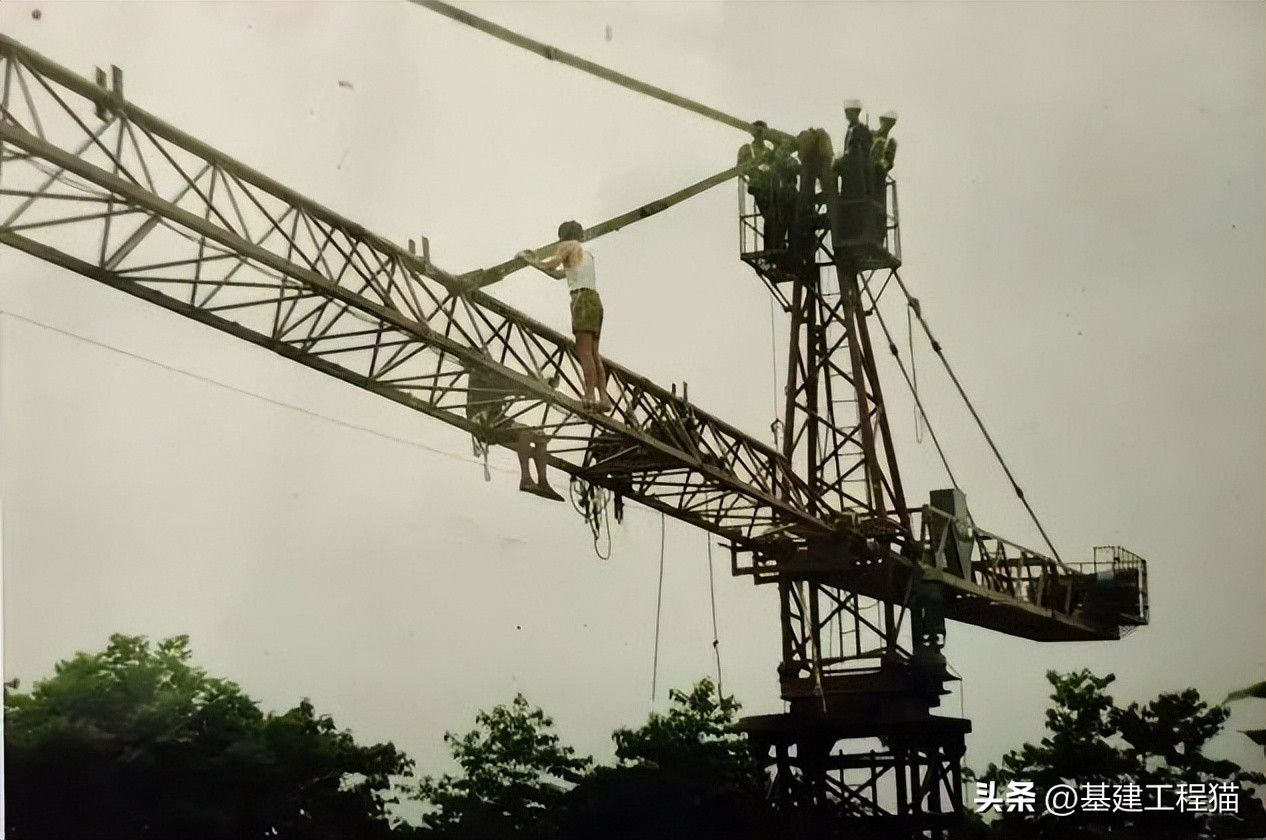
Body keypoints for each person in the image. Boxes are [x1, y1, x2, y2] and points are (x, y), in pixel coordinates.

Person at [518, 221, 612, 413]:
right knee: (594, 353)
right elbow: (559, 274)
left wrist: (530, 260)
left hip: (581, 301)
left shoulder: (567, 246)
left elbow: (551, 266)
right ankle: (603, 397)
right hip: (595, 300)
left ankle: (589, 395)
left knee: (584, 351)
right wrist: (537, 264)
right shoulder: (586, 254)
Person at [465, 360, 564, 501]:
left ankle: (543, 482)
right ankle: (526, 479)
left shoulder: (487, 375)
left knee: (540, 437)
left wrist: (543, 385)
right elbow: (514, 385)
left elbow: (515, 386)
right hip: (485, 422)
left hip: (497, 420)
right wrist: (543, 385)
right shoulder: (482, 376)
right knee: (526, 434)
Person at [833, 98, 872, 240]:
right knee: (848, 202)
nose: (846, 114)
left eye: (848, 111)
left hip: (857, 175)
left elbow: (855, 153)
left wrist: (839, 162)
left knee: (854, 202)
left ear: (855, 112)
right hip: (849, 175)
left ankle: (855, 233)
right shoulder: (851, 129)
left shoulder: (860, 130)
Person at [870, 110, 898, 243]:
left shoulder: (891, 142)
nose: (887, 125)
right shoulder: (872, 135)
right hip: (867, 176)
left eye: (890, 123)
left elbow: (889, 162)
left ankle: (879, 237)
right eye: (885, 121)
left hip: (878, 178)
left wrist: (882, 165)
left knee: (879, 208)